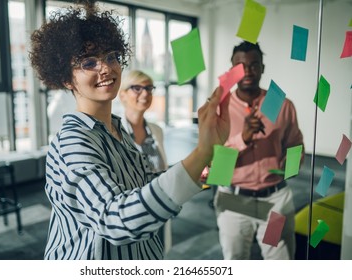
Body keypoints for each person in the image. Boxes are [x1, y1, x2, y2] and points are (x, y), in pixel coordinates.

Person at [29, 0, 230, 260]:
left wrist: (203, 166)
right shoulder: (72, 142)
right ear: (66, 78)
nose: (106, 67)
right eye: (88, 62)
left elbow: (141, 188)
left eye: (111, 56)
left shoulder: (117, 131)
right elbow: (115, 220)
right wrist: (201, 153)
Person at [213, 41, 304, 260]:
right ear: (232, 69)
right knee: (235, 261)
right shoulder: (219, 108)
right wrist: (242, 139)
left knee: (280, 263)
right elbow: (212, 165)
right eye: (240, 65)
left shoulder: (281, 103)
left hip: (275, 200)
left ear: (263, 68)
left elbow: (295, 145)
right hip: (233, 199)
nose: (248, 71)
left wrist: (290, 164)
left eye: (254, 65)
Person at [119, 70, 172, 253]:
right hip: (131, 210)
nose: (145, 94)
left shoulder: (156, 131)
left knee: (157, 253)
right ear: (122, 94)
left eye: (149, 88)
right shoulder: (114, 133)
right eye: (137, 88)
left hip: (159, 206)